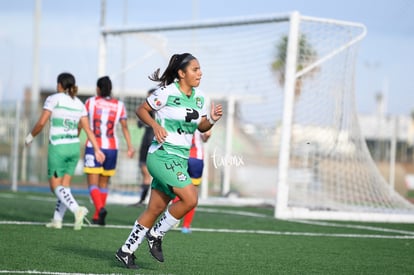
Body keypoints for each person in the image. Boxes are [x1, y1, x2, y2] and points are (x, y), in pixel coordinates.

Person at [115, 53, 223, 269]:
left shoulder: (201, 97)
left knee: (154, 209)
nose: (200, 73)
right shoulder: (166, 92)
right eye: (195, 69)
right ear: (181, 73)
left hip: (180, 158)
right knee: (191, 199)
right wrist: (155, 125)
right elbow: (141, 110)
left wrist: (211, 120)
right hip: (162, 154)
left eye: (200, 69)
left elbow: (201, 127)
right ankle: (156, 234)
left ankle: (126, 251)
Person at [24, 72, 105, 230]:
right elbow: (87, 128)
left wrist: (29, 137)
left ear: (60, 85)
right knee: (65, 186)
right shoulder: (79, 103)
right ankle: (57, 220)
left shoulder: (54, 99)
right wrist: (97, 149)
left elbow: (41, 123)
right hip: (74, 147)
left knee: (54, 186)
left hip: (58, 147)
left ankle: (77, 209)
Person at [83, 76, 135, 226]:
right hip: (112, 148)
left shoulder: (90, 102)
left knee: (92, 183)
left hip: (95, 146)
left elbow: (83, 123)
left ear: (98, 89)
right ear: (110, 89)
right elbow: (124, 127)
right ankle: (97, 216)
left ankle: (100, 209)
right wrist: (130, 146)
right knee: (104, 183)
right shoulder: (119, 105)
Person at [172, 129, 211, 233]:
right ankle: (186, 226)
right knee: (192, 193)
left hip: (180, 157)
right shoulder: (201, 120)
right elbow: (206, 136)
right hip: (196, 159)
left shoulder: (180, 117)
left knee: (177, 189)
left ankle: (172, 216)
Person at [131, 88, 156, 206]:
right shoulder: (146, 111)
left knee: (151, 173)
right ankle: (142, 199)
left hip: (154, 142)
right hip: (146, 141)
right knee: (144, 170)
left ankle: (146, 199)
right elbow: (139, 124)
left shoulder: (160, 111)